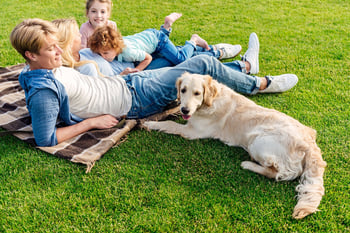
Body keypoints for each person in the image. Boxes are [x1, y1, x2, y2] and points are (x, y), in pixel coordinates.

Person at [10, 18, 298, 147]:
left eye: (56, 45)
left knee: (171, 58)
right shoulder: (43, 91)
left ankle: (240, 65)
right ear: (30, 55)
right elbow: (45, 138)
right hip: (135, 99)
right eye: (51, 49)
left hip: (129, 83)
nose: (60, 51)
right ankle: (259, 82)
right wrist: (90, 123)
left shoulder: (36, 70)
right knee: (202, 65)